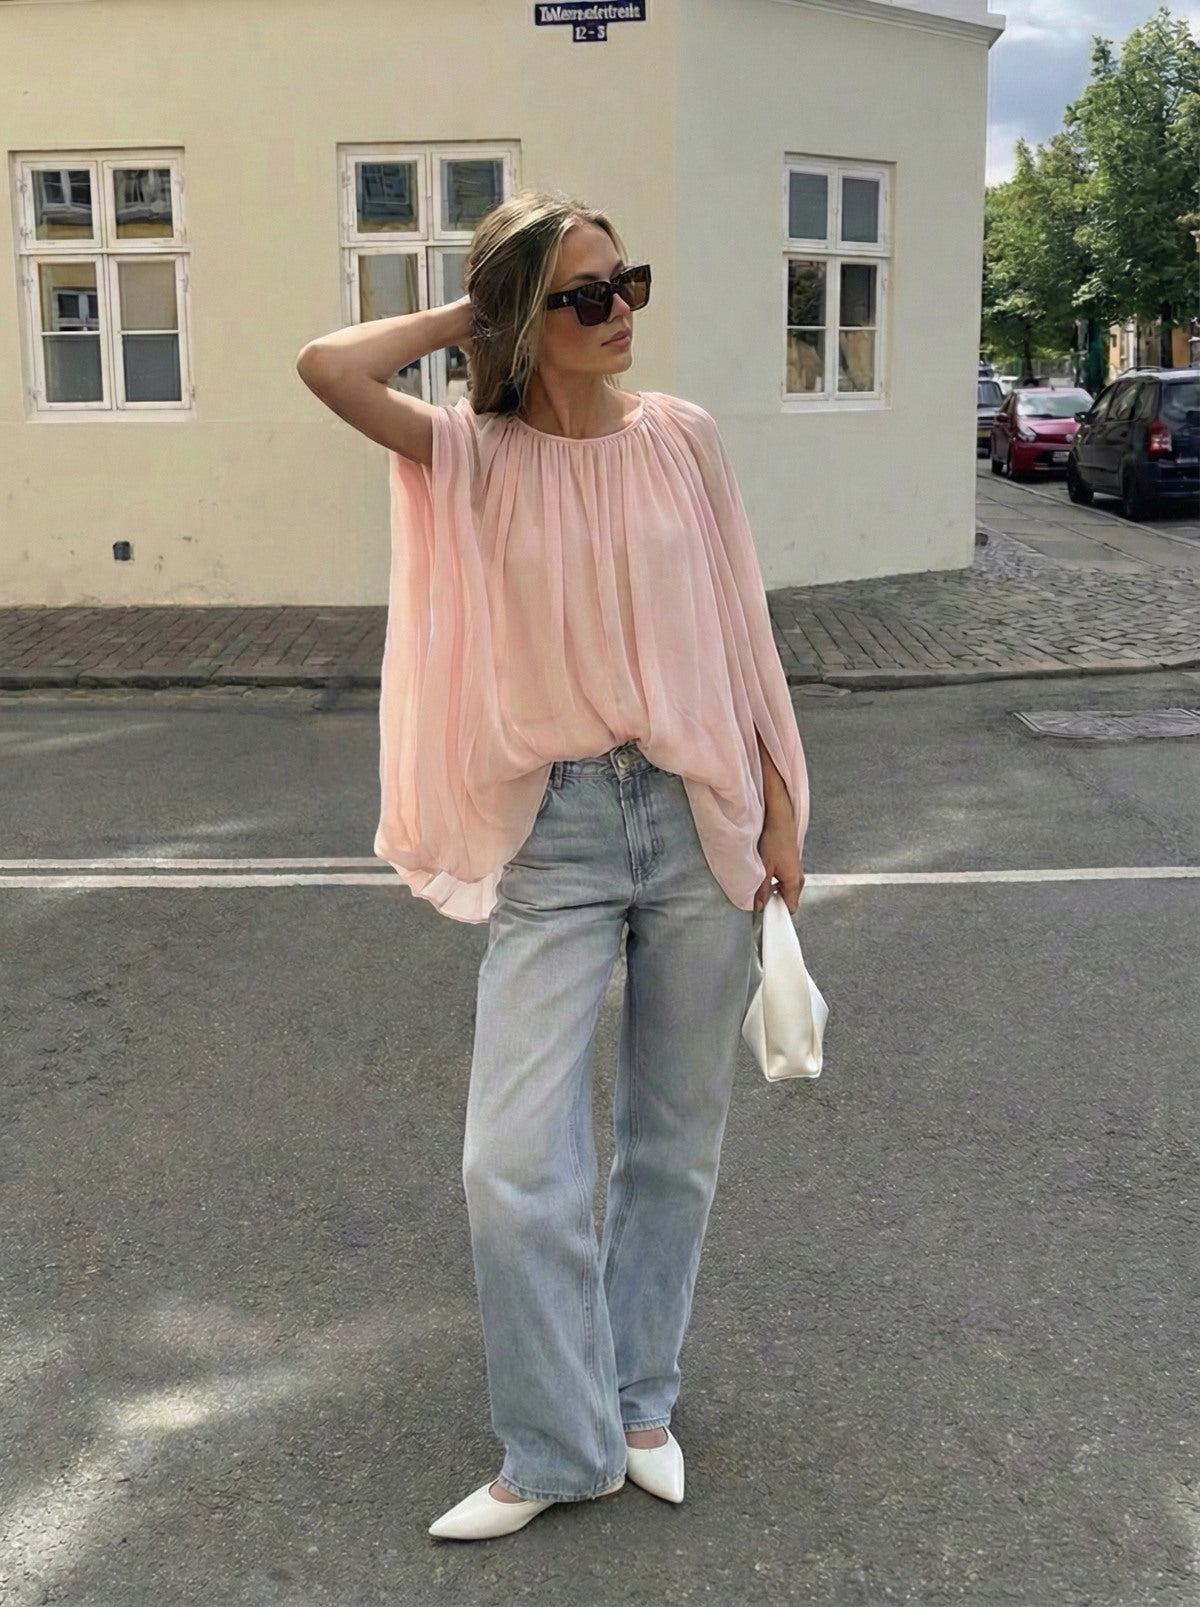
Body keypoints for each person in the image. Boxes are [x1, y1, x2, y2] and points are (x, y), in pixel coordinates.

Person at [295, 188, 809, 1540]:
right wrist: (478, 313)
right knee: (513, 1164)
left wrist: (782, 801)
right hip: (558, 830)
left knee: (674, 1140)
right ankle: (554, 1445)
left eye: (626, 283)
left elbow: (740, 622)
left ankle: (638, 1403)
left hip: (697, 810)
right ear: (527, 317)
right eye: (583, 295)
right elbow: (328, 367)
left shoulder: (683, 439)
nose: (618, 312)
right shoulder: (470, 452)